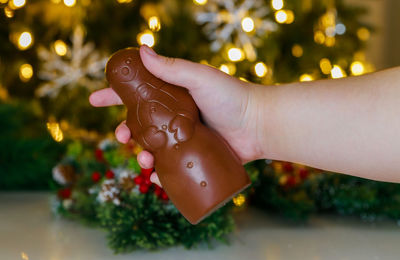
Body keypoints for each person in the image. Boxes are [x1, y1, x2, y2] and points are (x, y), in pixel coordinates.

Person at [90, 45, 400, 186]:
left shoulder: (174, 98)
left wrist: (253, 116)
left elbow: (184, 111)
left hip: (188, 134)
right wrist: (254, 119)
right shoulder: (137, 114)